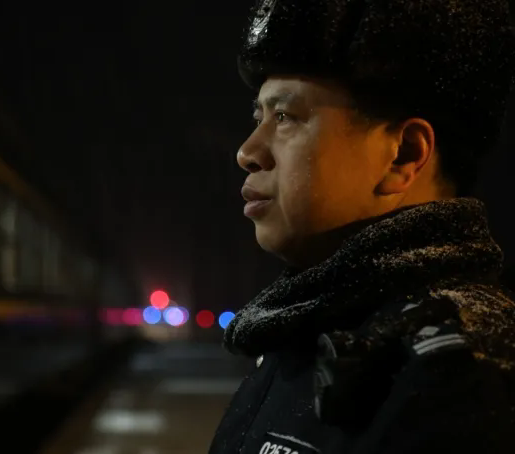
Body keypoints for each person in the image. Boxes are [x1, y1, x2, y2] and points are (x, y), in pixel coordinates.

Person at [208, 1, 515, 453]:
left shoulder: (459, 376)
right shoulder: (310, 328)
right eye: (259, 118)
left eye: (285, 117)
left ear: (403, 155)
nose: (248, 152)